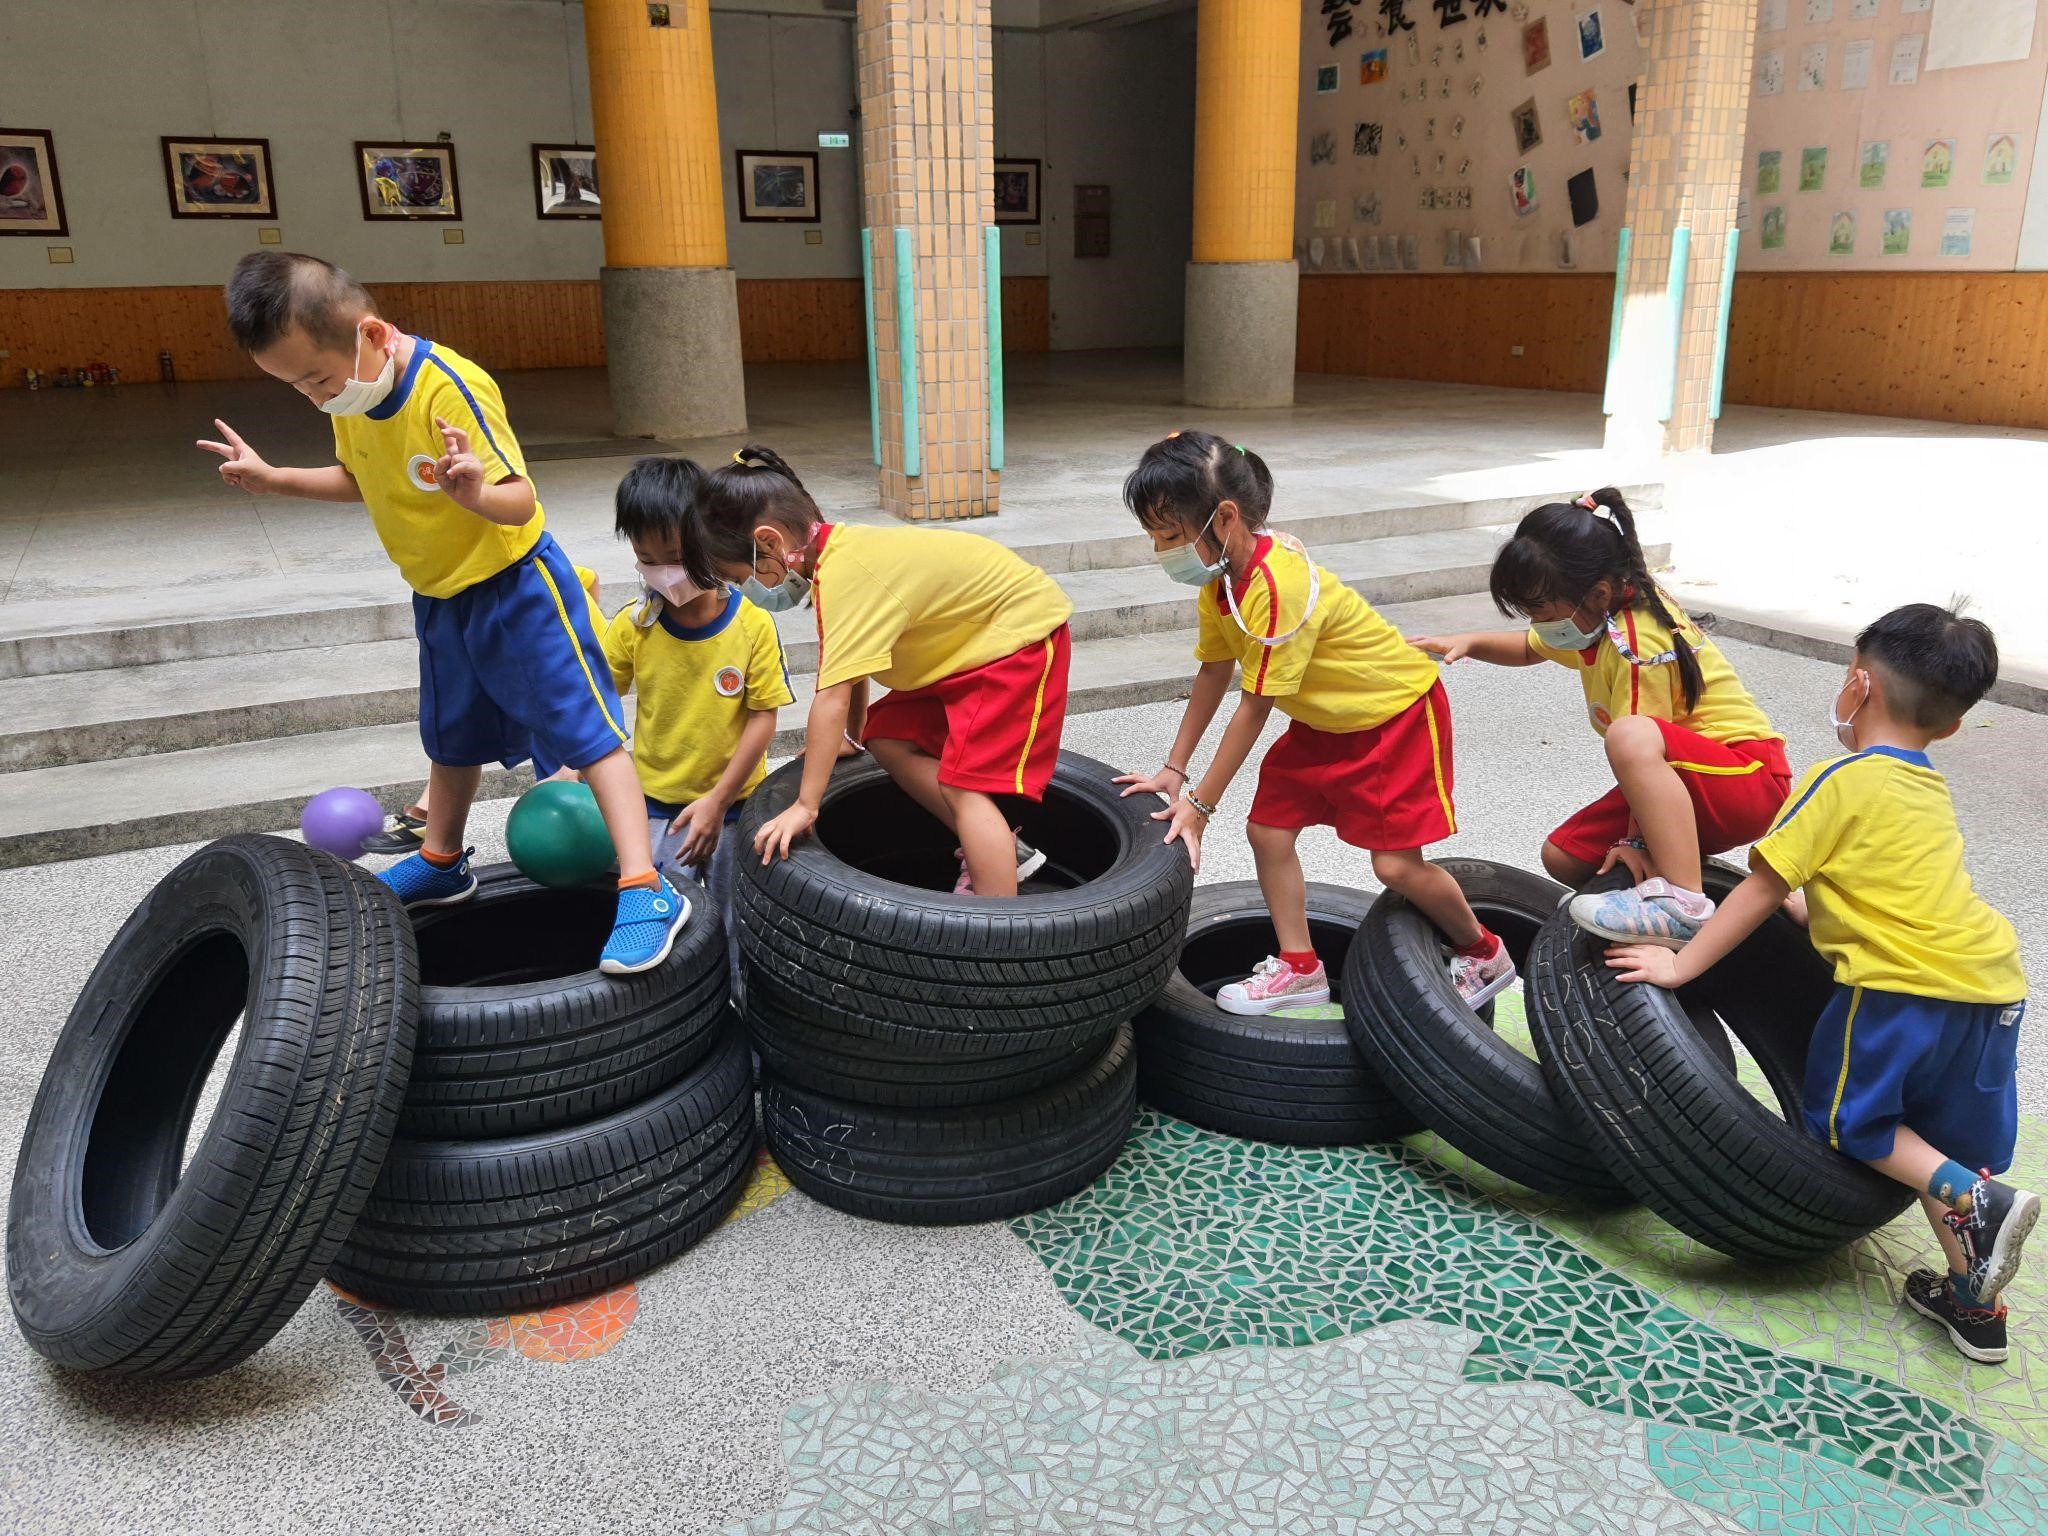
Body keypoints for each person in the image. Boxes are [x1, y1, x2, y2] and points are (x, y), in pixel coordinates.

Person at [200, 250, 686, 975]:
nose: (314, 397)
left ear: (371, 335)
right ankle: (441, 860)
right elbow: (361, 478)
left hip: (517, 587)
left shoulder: (449, 387)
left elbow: (519, 496)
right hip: (440, 596)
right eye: (297, 387)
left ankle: (646, 889)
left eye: (317, 379)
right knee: (451, 740)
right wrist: (277, 480)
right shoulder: (354, 401)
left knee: (591, 736)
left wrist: (475, 494)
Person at [1608, 603, 2034, 1364]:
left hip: (1900, 992)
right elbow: (1867, 891)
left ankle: (1980, 1206)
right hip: (1992, 987)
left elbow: (1762, 888)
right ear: (1952, 725)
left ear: (1857, 686)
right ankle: (1977, 1307)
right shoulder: (1925, 788)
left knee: (1853, 1125)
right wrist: (1815, 909)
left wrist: (1678, 962)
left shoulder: (1838, 778)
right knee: (1943, 1144)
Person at [1115, 430, 1512, 1014]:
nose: (1160, 552)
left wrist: (1199, 807)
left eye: (1171, 536)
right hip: (1324, 724)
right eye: (1153, 536)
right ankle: (1300, 968)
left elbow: (1255, 706)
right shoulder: (1223, 581)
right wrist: (1173, 770)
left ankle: (1483, 951)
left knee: (1396, 866)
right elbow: (1213, 671)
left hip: (1392, 716)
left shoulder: (1278, 586)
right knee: (1269, 831)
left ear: (1225, 519)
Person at [678, 446, 1072, 898]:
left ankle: (996, 926)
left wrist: (806, 805)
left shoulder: (848, 573)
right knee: (887, 738)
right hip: (969, 648)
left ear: (769, 543)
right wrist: (853, 735)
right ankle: (1001, 847)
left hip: (1014, 643)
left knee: (964, 786)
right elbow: (852, 666)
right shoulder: (837, 557)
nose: (745, 590)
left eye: (740, 576)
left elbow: (831, 695)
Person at [1410, 488, 1790, 948]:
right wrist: (1468, 641)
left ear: (1598, 593)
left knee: (1628, 736)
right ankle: (1731, 896)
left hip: (1742, 778)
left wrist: (1635, 842)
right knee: (1566, 856)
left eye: (1541, 609)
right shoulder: (1596, 620)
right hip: (1690, 785)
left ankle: (1683, 904)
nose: (1537, 621)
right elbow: (1532, 648)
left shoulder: (1637, 643)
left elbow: (1641, 743)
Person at [604, 456, 795, 990]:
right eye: (647, 560)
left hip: (734, 810)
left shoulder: (753, 626)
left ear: (710, 541)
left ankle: (735, 1021)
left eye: (675, 557)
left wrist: (716, 801)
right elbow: (594, 699)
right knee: (668, 933)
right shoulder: (634, 627)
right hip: (657, 813)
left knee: (735, 928)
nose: (663, 572)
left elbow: (763, 717)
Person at [365, 564, 606, 855]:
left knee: (571, 758)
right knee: (467, 728)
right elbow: (589, 577)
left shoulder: (532, 583)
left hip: (563, 664)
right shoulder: (500, 582)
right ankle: (430, 816)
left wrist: (571, 769)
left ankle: (595, 833)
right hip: (520, 654)